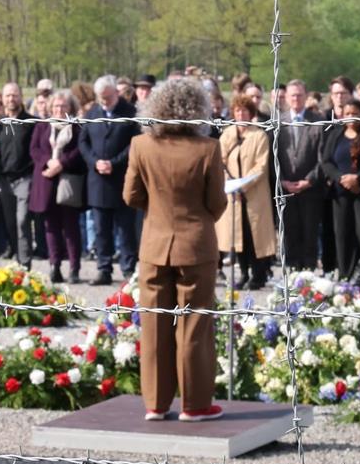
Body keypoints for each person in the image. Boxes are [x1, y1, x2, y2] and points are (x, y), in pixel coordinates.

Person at [124, 77, 228, 422]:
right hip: (196, 245)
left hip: (154, 244)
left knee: (153, 325)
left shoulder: (141, 145)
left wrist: (158, 215)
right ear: (197, 108)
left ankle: (155, 403)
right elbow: (216, 203)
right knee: (194, 325)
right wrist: (194, 218)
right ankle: (195, 405)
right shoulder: (208, 148)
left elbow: (131, 196)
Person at [79, 75, 140, 285]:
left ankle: (128, 269)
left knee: (125, 229)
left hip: (122, 179)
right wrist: (95, 162)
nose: (104, 101)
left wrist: (114, 162)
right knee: (101, 229)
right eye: (101, 98)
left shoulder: (130, 114)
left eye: (108, 97)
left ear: (116, 93)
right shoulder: (92, 113)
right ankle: (103, 268)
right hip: (98, 181)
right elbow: (83, 142)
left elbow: (135, 144)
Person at [216, 94, 276, 290]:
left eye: (245, 111)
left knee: (254, 236)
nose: (241, 114)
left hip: (254, 194)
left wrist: (244, 185)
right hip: (232, 195)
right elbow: (220, 161)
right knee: (237, 236)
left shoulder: (259, 135)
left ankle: (258, 274)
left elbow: (260, 165)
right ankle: (242, 272)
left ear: (251, 114)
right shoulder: (227, 135)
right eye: (238, 111)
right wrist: (231, 184)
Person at [320, 97, 360, 289]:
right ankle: (345, 275)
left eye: (355, 113)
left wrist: (357, 179)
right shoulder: (336, 134)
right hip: (340, 192)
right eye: (347, 114)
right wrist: (342, 178)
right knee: (342, 234)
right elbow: (326, 162)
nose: (350, 117)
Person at [29, 92, 86, 284]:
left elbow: (79, 150)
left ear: (70, 108)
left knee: (71, 227)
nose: (59, 110)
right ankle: (55, 265)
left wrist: (61, 163)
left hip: (68, 181)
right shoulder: (42, 126)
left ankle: (74, 267)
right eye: (56, 106)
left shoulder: (77, 128)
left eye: (63, 106)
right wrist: (49, 163)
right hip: (46, 181)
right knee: (51, 226)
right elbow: (35, 149)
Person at [277, 80, 324, 271]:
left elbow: (322, 157)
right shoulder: (278, 122)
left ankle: (309, 272)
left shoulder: (317, 121)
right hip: (286, 187)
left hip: (310, 189)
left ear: (306, 96)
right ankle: (292, 271)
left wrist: (309, 180)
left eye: (299, 95)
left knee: (310, 232)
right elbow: (273, 155)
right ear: (286, 98)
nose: (296, 99)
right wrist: (281, 180)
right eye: (292, 95)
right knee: (290, 232)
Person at [0, 83, 36, 269]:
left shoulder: (31, 122)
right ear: (3, 99)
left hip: (25, 177)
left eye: (15, 95)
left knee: (22, 220)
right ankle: (17, 259)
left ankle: (25, 263)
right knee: (10, 222)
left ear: (21, 97)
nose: (11, 99)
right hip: (5, 179)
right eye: (8, 96)